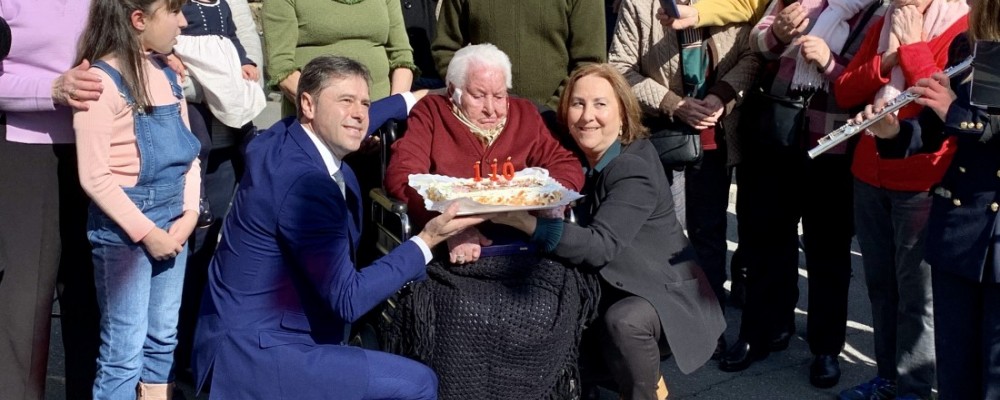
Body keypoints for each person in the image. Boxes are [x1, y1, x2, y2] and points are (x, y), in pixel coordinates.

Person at [191, 55, 487, 400]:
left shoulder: (279, 138)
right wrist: (428, 239)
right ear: (308, 105)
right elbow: (348, 299)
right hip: (261, 357)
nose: (360, 114)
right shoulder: (309, 186)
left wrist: (412, 100)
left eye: (364, 102)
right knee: (417, 383)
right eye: (346, 101)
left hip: (229, 339)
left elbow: (355, 119)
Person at [491, 63, 725, 400]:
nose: (587, 116)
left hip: (661, 290)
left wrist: (525, 222)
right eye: (577, 104)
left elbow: (599, 246)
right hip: (613, 279)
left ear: (623, 115)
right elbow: (527, 111)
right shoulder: (577, 154)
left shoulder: (634, 168)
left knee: (623, 321)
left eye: (601, 104)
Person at [381, 44, 597, 400]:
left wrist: (550, 199)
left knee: (549, 305)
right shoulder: (432, 113)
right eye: (479, 96)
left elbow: (566, 165)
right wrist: (452, 226)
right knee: (459, 315)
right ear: (454, 91)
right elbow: (402, 177)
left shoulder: (525, 114)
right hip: (454, 258)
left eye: (499, 95)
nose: (493, 109)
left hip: (523, 252)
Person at [718, 0, 887, 389]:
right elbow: (756, 44)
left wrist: (829, 63)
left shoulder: (877, 10)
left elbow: (875, 80)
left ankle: (826, 347)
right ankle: (761, 331)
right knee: (765, 237)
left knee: (828, 250)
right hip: (775, 134)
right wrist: (777, 34)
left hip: (835, 145)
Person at [830, 0, 968, 398]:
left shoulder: (961, 25)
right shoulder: (886, 19)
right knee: (879, 284)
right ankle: (887, 376)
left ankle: (915, 385)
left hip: (921, 177)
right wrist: (886, 59)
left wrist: (911, 48)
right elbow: (845, 90)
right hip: (868, 171)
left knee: (917, 296)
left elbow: (944, 105)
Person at [863, 9, 1000, 396]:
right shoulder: (969, 45)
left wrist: (953, 109)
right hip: (958, 228)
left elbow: (981, 125)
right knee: (956, 372)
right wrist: (891, 132)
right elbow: (940, 131)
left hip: (994, 234)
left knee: (994, 377)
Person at [608, 0, 760, 337]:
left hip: (716, 137)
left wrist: (722, 95)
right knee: (663, 234)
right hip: (663, 137)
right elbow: (619, 67)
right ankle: (665, 320)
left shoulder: (730, 4)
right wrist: (672, 104)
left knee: (709, 233)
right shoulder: (641, 5)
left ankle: (710, 322)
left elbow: (752, 56)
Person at [72, 0, 200, 398]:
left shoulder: (168, 74)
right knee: (123, 351)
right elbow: (95, 176)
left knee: (163, 337)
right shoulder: (102, 83)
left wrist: (190, 212)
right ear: (139, 20)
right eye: (174, 11)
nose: (183, 20)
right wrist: (147, 233)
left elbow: (189, 153)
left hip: (174, 221)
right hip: (126, 230)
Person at [0, 1, 104, 399]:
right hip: (24, 152)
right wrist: (52, 89)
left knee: (94, 302)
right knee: (25, 306)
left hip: (100, 148)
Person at [432, 0, 606, 108]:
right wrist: (476, 101)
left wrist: (551, 110)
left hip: (556, 127)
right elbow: (445, 50)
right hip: (482, 126)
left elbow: (589, 64)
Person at [263, 0, 417, 116]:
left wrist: (389, 112)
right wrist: (329, 114)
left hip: (379, 120)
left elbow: (402, 56)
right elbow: (281, 66)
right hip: (316, 121)